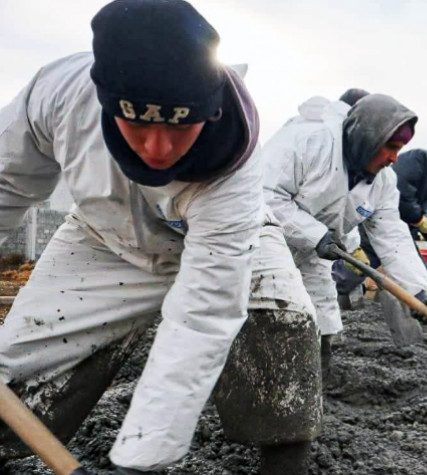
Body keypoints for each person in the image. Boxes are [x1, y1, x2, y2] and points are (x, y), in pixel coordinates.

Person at [0, 1, 318, 473]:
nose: (157, 149)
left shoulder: (234, 159)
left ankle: (283, 462)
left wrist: (138, 461)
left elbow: (202, 315)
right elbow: (5, 183)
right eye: (138, 123)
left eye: (179, 126)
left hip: (229, 240)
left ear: (209, 111)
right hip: (104, 238)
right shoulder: (59, 95)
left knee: (283, 327)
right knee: (20, 369)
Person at [262, 93, 427, 374]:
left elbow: (392, 237)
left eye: (400, 149)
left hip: (314, 253)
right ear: (367, 138)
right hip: (262, 244)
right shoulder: (310, 142)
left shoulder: (383, 183)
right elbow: (265, 196)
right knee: (262, 309)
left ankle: (317, 378)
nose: (394, 158)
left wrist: (417, 291)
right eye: (391, 147)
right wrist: (314, 234)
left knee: (323, 311)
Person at [331, 140, 427, 300]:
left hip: (402, 233)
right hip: (380, 223)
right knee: (357, 266)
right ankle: (326, 292)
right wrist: (419, 219)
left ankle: (393, 302)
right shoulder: (419, 160)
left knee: (419, 273)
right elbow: (400, 192)